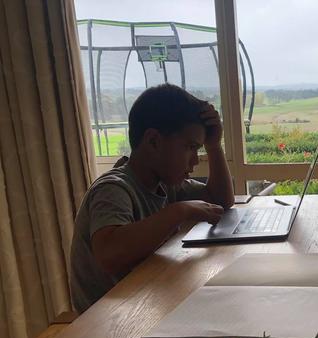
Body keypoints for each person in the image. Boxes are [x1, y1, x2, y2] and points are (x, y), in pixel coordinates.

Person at [70, 84, 234, 313]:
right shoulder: (113, 189)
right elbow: (108, 254)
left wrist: (215, 146)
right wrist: (179, 212)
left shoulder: (165, 184)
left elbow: (220, 200)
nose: (196, 161)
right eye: (190, 147)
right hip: (107, 322)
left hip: (142, 303)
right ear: (153, 141)